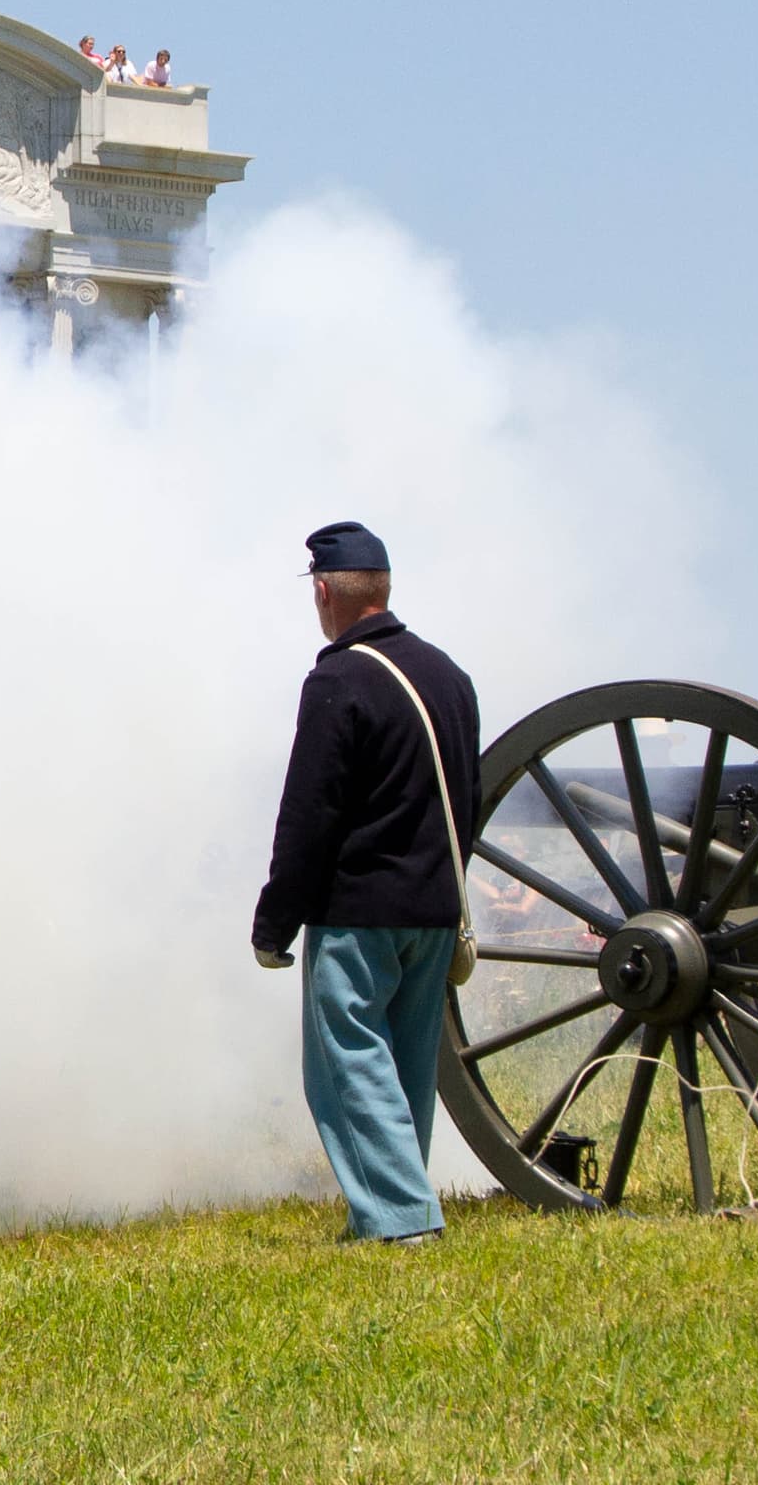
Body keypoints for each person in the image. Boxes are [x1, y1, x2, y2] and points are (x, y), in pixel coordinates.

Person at [250, 521, 480, 1245]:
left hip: (360, 911)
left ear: (324, 590)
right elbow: (465, 797)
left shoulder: (339, 679)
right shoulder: (450, 674)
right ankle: (391, 1205)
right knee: (405, 1070)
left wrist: (273, 922)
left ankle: (401, 1221)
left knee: (348, 1063)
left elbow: (309, 814)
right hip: (436, 909)